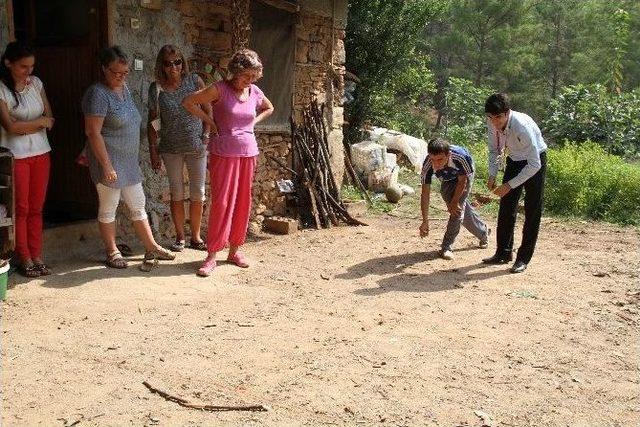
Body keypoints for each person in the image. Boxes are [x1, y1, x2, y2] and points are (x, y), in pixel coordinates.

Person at [82, 46, 175, 271]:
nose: (121, 77)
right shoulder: (97, 94)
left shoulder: (124, 89)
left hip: (128, 161)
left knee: (138, 204)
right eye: (116, 73)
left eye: (124, 73)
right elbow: (93, 133)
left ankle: (151, 246)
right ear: (104, 69)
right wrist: (106, 165)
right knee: (109, 206)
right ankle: (112, 251)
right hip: (109, 160)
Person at [183, 49, 273, 277]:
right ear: (235, 72)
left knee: (243, 202)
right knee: (222, 203)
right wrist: (210, 122)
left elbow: (269, 108)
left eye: (253, 77)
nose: (249, 81)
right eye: (246, 76)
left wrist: (254, 123)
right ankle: (212, 254)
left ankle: (234, 251)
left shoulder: (254, 91)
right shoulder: (219, 89)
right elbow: (189, 102)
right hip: (224, 153)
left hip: (248, 153)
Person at [147, 45, 210, 252]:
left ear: (183, 63)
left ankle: (196, 237)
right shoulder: (156, 89)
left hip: (196, 146)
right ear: (161, 66)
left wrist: (206, 135)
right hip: (171, 148)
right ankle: (180, 238)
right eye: (168, 63)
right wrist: (153, 151)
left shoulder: (194, 81)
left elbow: (208, 109)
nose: (173, 66)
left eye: (177, 61)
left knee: (198, 192)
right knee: (176, 193)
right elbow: (153, 122)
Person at [0, 42, 54, 278]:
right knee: (21, 208)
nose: (28, 72)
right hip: (16, 154)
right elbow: (10, 127)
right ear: (8, 63)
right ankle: (24, 256)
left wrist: (27, 125)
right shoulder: (2, 89)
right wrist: (38, 123)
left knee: (36, 207)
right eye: (23, 66)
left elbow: (49, 118)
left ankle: (37, 254)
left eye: (31, 66)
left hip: (41, 152)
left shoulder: (37, 84)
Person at [482, 93, 547, 273]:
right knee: (506, 207)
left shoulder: (522, 126)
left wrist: (509, 185)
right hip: (514, 159)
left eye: (498, 117)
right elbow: (494, 150)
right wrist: (492, 174)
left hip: (534, 162)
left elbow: (535, 164)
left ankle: (523, 258)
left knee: (532, 210)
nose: (494, 122)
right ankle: (503, 253)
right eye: (490, 117)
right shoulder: (491, 121)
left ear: (507, 113)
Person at [419, 138, 490, 259]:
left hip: (464, 174)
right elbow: (425, 194)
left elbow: (463, 181)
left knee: (456, 210)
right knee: (456, 206)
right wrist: (425, 220)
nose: (436, 164)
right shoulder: (427, 164)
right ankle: (483, 232)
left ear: (448, 155)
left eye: (440, 159)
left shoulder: (461, 157)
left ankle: (446, 247)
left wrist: (455, 201)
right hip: (447, 177)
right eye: (433, 159)